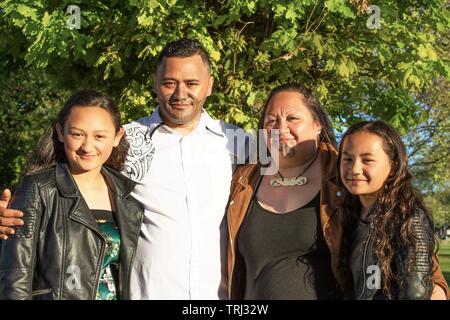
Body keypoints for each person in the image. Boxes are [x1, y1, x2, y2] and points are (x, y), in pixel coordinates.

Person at [0, 39, 246, 299]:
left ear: (209, 85)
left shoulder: (237, 142)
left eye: (192, 83)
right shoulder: (125, 140)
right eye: (169, 82)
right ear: (155, 83)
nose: (180, 93)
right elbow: (65, 180)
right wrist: (11, 212)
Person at [226, 83, 449, 299]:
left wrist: (436, 287)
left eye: (292, 118)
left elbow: (407, 237)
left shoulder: (345, 173)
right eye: (271, 120)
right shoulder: (245, 180)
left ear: (317, 124)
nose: (280, 128)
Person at [0, 89, 144, 299]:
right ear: (60, 132)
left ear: (117, 136)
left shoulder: (128, 196)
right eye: (77, 134)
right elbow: (15, 277)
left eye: (99, 136)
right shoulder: (38, 189)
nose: (87, 146)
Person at [337, 120, 449, 299]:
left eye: (367, 160)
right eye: (347, 159)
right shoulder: (345, 215)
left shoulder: (409, 219)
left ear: (394, 165)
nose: (355, 169)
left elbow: (416, 293)